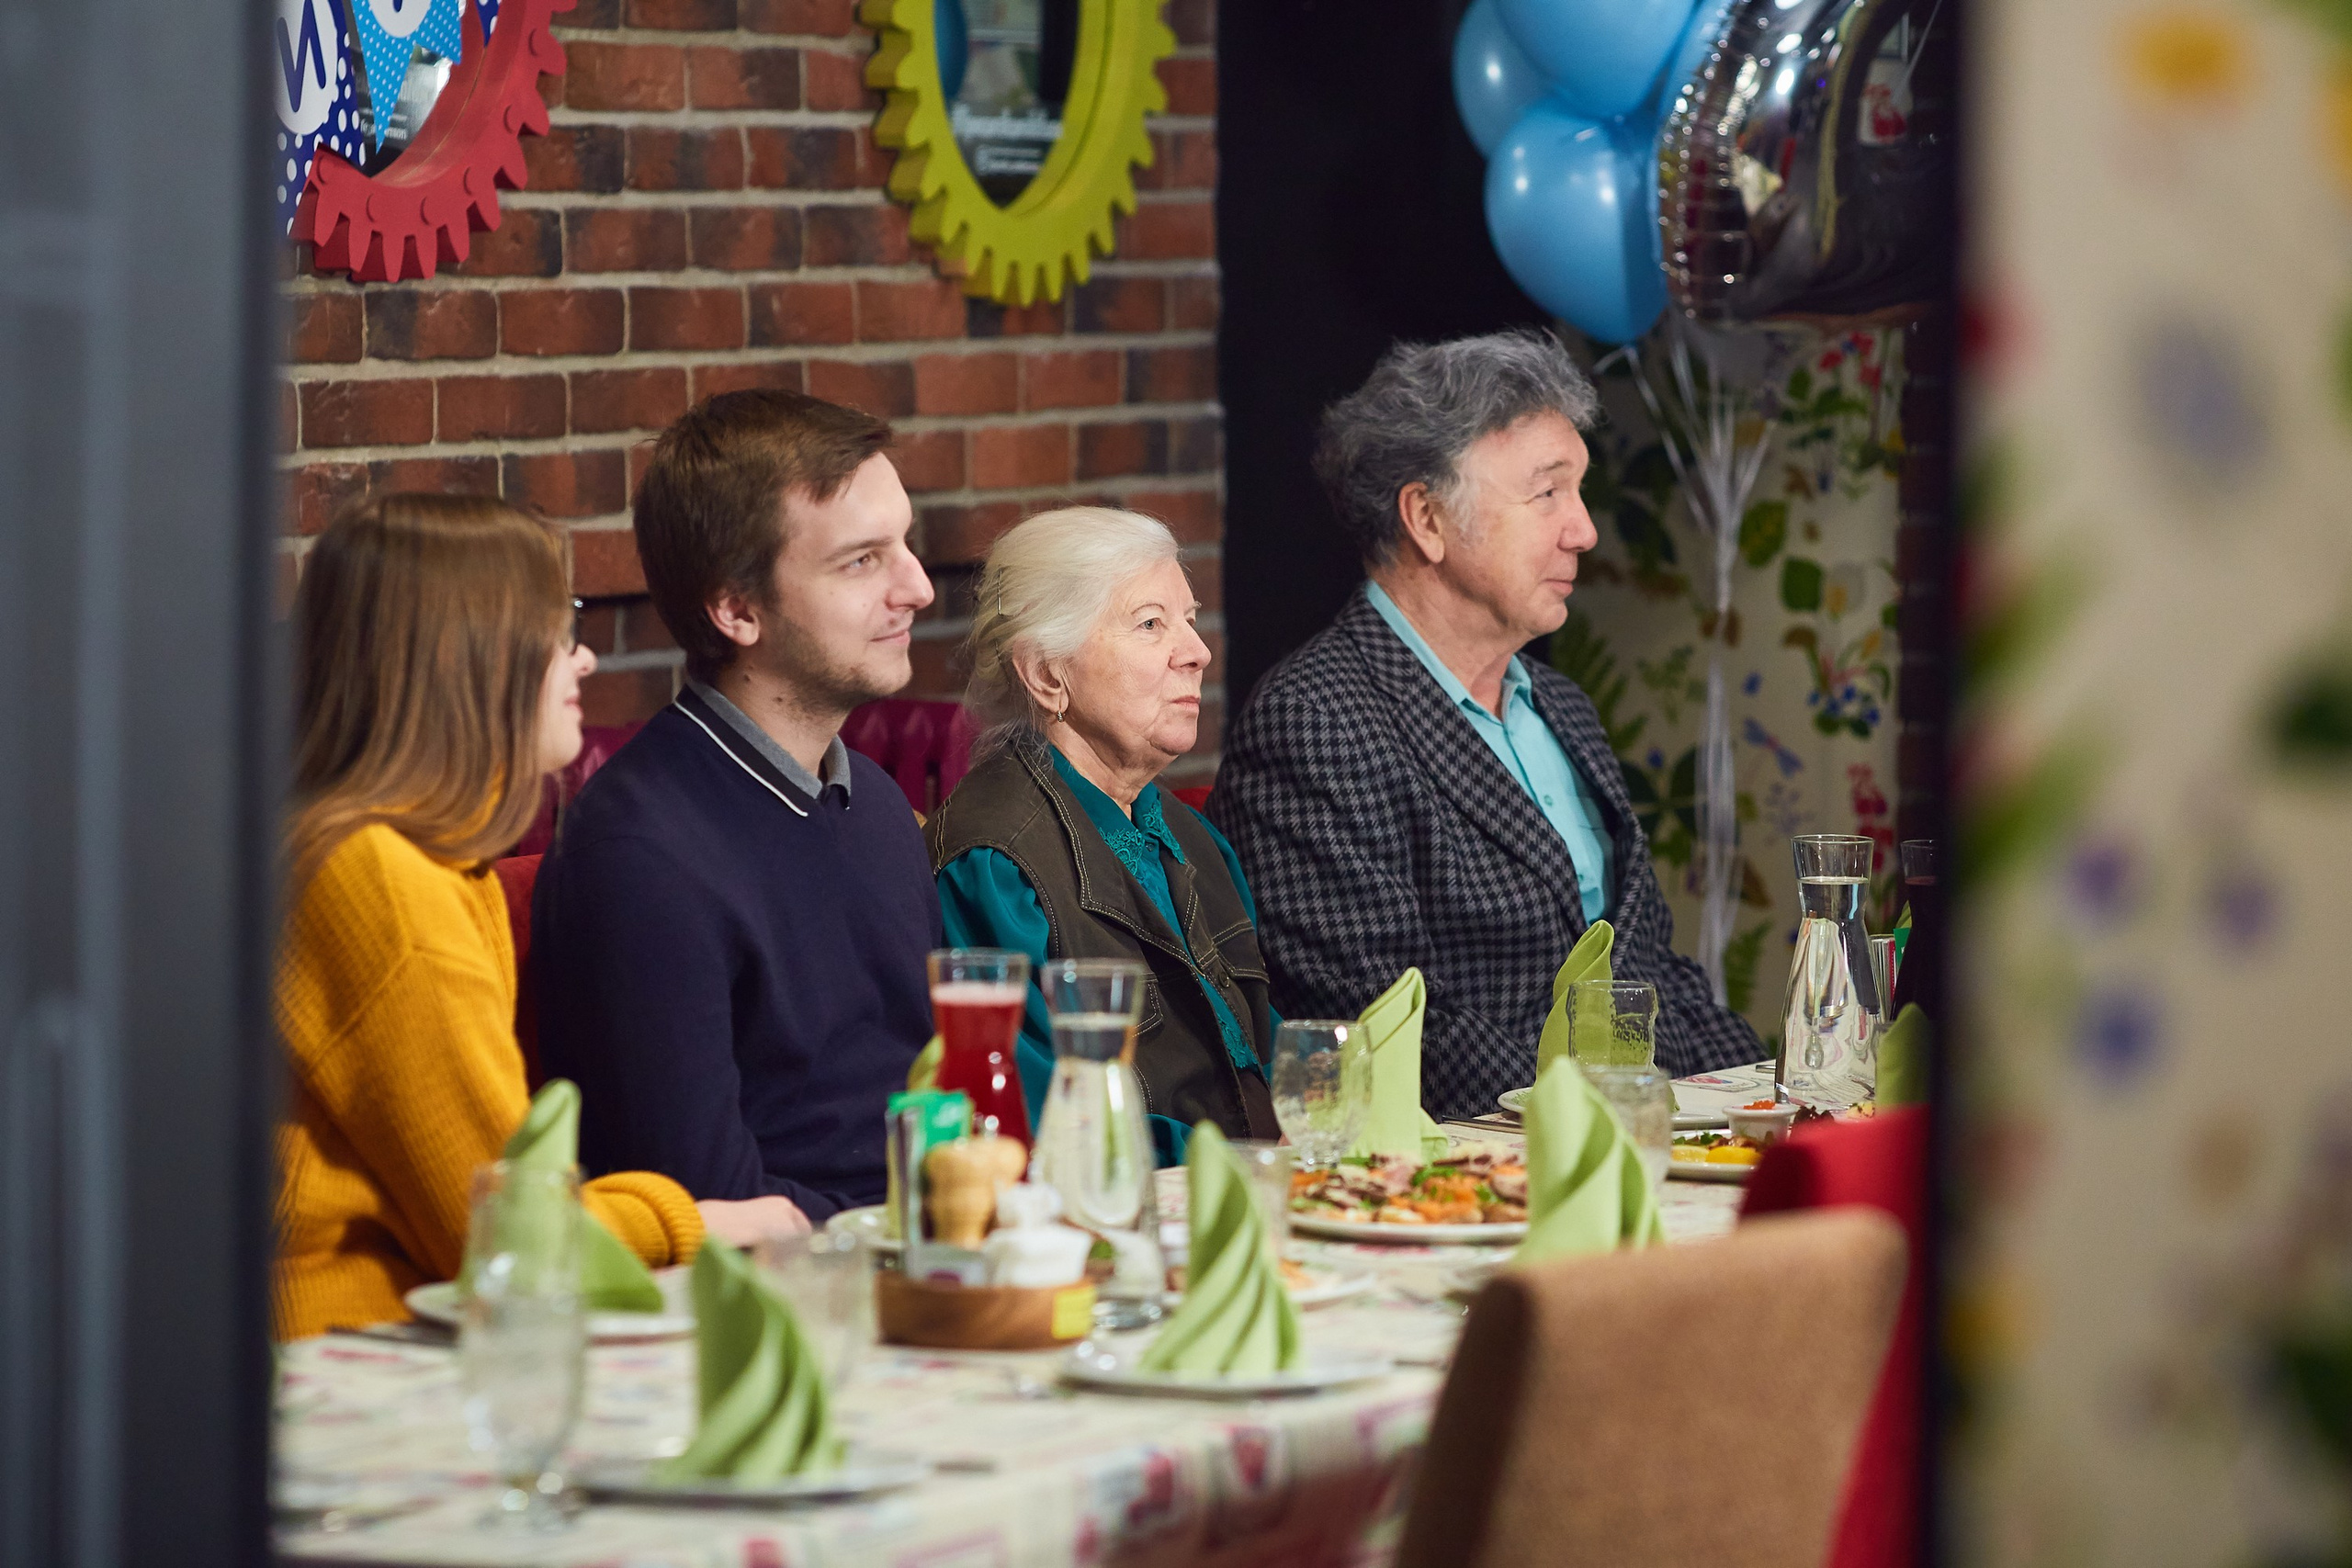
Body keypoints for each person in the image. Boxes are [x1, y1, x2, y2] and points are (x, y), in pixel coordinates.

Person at [273, 494, 803, 1342]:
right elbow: (506, 1234)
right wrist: (699, 1219)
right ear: (471, 656)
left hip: (414, 1332)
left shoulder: (433, 861)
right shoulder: (378, 879)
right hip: (340, 1354)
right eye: (560, 632)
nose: (585, 658)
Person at [1212, 330, 1762, 1119]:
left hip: (1632, 1139)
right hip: (1481, 1163)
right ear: (1427, 517)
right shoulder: (1314, 720)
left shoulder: (1561, 706)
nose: (1584, 530)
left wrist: (1767, 1098)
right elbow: (1395, 1027)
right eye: (1548, 493)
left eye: (1578, 491)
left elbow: (1652, 975)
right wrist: (1625, 1116)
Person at [531, 390, 941, 1224]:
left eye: (906, 544)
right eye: (863, 561)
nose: (921, 588)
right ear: (737, 609)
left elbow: (934, 1110)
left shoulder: (876, 803)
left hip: (926, 1250)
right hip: (774, 1282)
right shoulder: (640, 848)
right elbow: (704, 1193)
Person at [929, 507, 1280, 1162]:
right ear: (1047, 674)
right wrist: (1243, 1164)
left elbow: (1262, 1049)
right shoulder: (995, 863)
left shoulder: (1191, 836)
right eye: (1151, 624)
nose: (1198, 652)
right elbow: (1040, 1116)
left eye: (1190, 619)